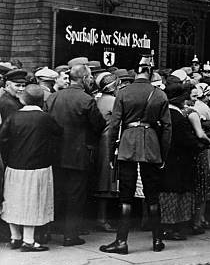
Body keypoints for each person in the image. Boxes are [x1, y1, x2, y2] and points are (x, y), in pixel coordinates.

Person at [99, 57, 172, 254]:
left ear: (136, 72)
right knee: (152, 193)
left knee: (126, 194)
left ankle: (121, 242)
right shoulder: (159, 94)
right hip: (151, 144)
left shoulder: (123, 92)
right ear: (150, 72)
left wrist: (111, 153)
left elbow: (114, 125)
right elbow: (167, 127)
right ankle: (157, 240)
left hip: (128, 144)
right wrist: (162, 154)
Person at [46, 64, 105, 246]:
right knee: (75, 195)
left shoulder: (53, 97)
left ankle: (52, 229)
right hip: (79, 155)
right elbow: (99, 125)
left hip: (55, 153)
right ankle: (70, 235)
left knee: (56, 192)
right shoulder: (86, 100)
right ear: (85, 79)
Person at [0, 85, 63, 252]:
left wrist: (9, 159)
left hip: (15, 166)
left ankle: (15, 237)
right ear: (42, 100)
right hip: (39, 167)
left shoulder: (13, 117)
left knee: (13, 200)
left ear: (23, 99)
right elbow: (58, 134)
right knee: (33, 202)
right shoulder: (46, 118)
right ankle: (29, 241)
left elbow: (3, 140)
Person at [159, 81, 207, 241]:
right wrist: (204, 143)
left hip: (166, 160)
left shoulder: (164, 113)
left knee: (167, 193)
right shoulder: (178, 116)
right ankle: (173, 228)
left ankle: (166, 226)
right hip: (180, 162)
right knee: (179, 193)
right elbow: (188, 141)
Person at [189, 83, 210, 232]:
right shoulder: (198, 109)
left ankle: (198, 219)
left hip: (196, 150)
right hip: (201, 149)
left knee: (199, 186)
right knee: (202, 185)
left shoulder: (192, 109)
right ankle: (198, 219)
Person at [93, 72, 119, 233]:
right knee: (106, 181)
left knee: (98, 179)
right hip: (108, 143)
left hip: (97, 142)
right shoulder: (114, 101)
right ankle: (102, 218)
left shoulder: (96, 99)